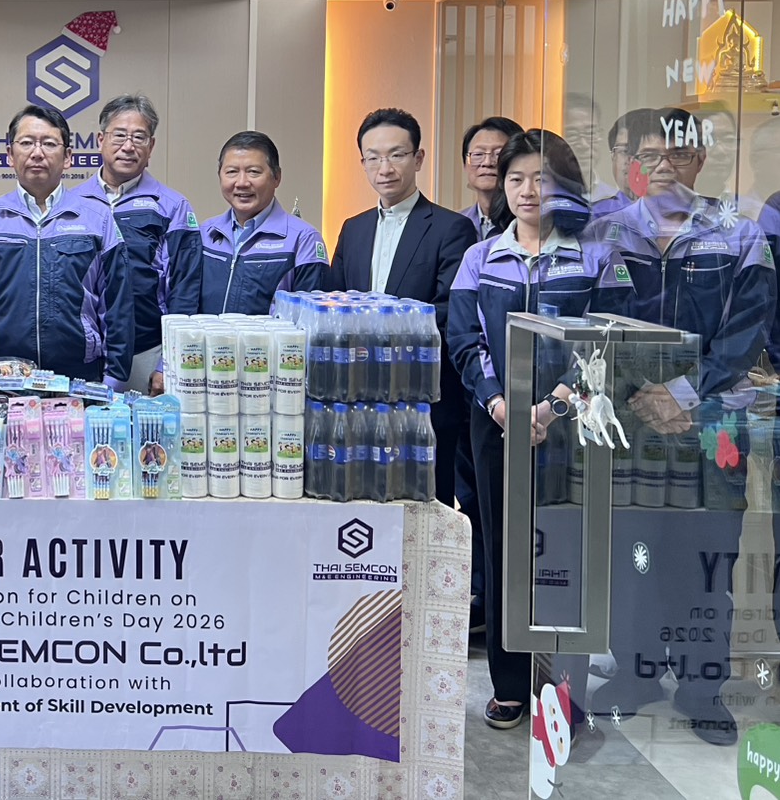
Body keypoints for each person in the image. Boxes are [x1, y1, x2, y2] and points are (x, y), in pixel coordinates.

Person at [585, 107, 775, 743]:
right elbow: (593, 326)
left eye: (678, 154)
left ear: (701, 160)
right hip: (631, 423)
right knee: (633, 555)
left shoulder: (740, 234)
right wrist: (639, 395)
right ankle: (636, 673)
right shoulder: (606, 233)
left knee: (706, 561)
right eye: (650, 155)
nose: (664, 165)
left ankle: (702, 689)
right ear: (632, 164)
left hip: (713, 425)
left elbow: (748, 331)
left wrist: (685, 393)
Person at [448, 129, 633, 730]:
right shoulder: (480, 257)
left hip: (574, 429)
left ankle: (564, 688)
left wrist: (553, 406)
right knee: (505, 550)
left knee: (566, 552)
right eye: (517, 179)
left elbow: (609, 341)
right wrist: (501, 405)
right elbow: (464, 339)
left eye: (543, 179)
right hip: (496, 425)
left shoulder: (597, 255)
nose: (529, 191)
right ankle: (509, 685)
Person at [328, 108, 480, 593]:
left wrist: (382, 341)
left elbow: (448, 311)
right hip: (357, 401)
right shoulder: (352, 228)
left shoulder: (451, 228)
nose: (385, 168)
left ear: (418, 158)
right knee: (361, 513)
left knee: (424, 513)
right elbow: (334, 305)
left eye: (396, 155)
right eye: (372, 158)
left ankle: (428, 604)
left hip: (423, 401)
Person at [0, 104, 134, 389]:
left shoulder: (98, 219)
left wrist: (114, 379)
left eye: (49, 143)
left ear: (68, 157)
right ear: (10, 154)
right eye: (26, 143)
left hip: (79, 379)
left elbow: (118, 306)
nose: (37, 152)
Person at [72, 93, 202, 393]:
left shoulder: (171, 206)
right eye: (119, 135)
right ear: (100, 140)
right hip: (81, 354)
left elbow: (185, 292)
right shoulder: (73, 204)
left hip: (146, 353)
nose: (128, 146)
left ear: (151, 146)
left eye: (139, 137)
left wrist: (167, 363)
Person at [199, 130, 329, 314]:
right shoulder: (205, 234)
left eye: (253, 172)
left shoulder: (303, 239)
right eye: (232, 172)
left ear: (277, 177)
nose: (242, 182)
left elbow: (311, 319)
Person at [459, 116, 523, 239]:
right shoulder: (455, 224)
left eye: (499, 154)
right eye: (478, 154)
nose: (487, 162)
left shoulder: (531, 224)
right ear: (465, 165)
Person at [590, 107, 658, 219]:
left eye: (645, 153)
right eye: (625, 151)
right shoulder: (595, 216)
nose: (632, 160)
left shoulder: (679, 215)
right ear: (613, 156)